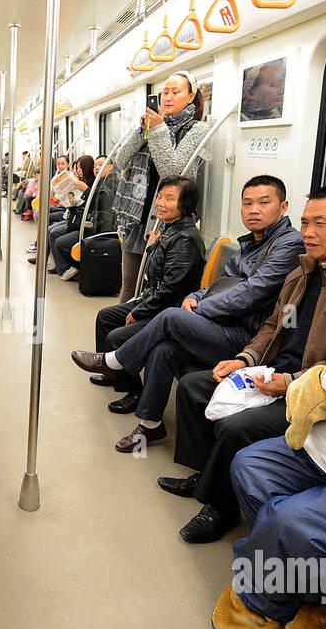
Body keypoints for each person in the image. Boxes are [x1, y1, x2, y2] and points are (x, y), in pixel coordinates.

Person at [161, 185, 326, 542]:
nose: (307, 232)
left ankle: (219, 508)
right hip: (271, 370)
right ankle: (207, 473)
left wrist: (291, 381)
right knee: (195, 386)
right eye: (305, 223)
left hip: (313, 388)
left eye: (320, 223)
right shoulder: (303, 273)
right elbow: (274, 326)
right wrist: (244, 358)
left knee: (237, 427)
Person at [70, 174, 304, 452]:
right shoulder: (251, 243)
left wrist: (200, 308)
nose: (254, 209)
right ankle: (150, 425)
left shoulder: (289, 244)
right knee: (164, 349)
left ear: (283, 206)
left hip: (249, 338)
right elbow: (221, 284)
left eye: (264, 203)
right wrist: (195, 297)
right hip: (225, 324)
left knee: (170, 316)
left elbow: (253, 292)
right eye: (248, 203)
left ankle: (116, 361)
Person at [72, 175, 205, 403]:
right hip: (154, 299)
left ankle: (133, 392)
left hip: (168, 308)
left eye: (170, 199)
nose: (161, 203)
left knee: (116, 336)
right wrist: (154, 248)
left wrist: (140, 311)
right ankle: (111, 372)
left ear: (186, 204)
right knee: (105, 316)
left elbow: (171, 289)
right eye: (160, 197)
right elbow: (157, 273)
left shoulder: (184, 239)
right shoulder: (169, 229)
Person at [108, 73, 212, 302]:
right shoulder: (154, 126)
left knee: (156, 290)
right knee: (129, 286)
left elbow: (173, 174)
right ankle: (122, 331)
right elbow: (121, 160)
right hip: (139, 216)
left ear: (191, 96)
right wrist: (142, 131)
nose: (168, 97)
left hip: (168, 222)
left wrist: (157, 130)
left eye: (176, 92)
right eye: (165, 92)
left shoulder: (197, 130)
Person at [54, 156, 113, 281]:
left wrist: (86, 190)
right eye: (95, 165)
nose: (97, 168)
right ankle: (65, 267)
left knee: (60, 241)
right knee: (53, 232)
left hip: (97, 228)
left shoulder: (111, 183)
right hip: (88, 222)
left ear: (110, 167)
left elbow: (102, 204)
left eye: (100, 165)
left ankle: (77, 267)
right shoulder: (99, 182)